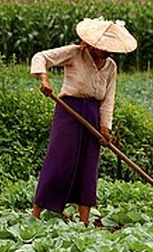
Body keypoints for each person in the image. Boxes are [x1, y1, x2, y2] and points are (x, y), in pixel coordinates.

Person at [30, 17, 137, 225]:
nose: (105, 52)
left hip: (92, 114)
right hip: (68, 110)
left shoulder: (111, 66)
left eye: (109, 49)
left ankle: (84, 221)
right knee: (59, 161)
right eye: (102, 48)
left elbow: (108, 99)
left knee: (88, 166)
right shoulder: (74, 53)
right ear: (93, 43)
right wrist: (44, 79)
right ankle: (35, 214)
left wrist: (105, 128)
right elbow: (40, 57)